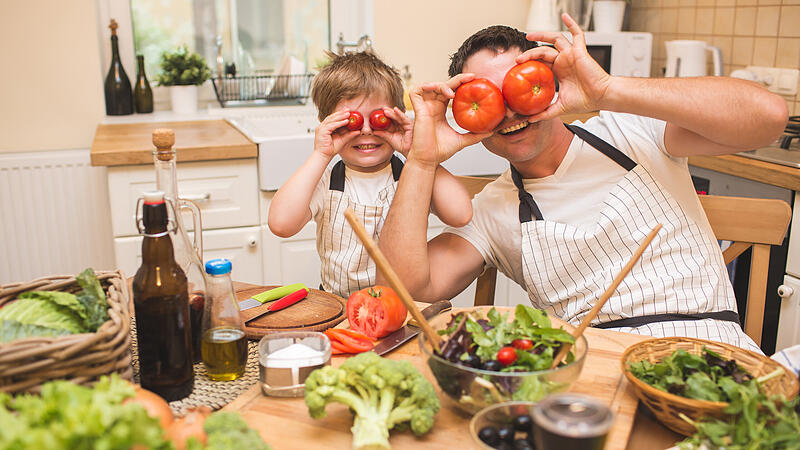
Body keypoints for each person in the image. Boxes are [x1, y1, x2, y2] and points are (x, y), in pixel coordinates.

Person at [378, 15, 788, 353]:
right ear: (468, 112)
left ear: (548, 84)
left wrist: (608, 91)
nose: (509, 113)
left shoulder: (634, 132)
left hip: (712, 350)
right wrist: (422, 158)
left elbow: (769, 117)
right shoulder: (490, 210)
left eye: (520, 89)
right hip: (591, 371)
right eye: (489, 99)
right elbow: (404, 290)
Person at [268, 51, 472, 299]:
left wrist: (418, 154)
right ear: (327, 125)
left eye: (379, 120)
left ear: (398, 117)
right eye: (350, 122)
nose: (365, 130)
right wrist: (321, 154)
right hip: (338, 307)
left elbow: (460, 214)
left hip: (402, 307)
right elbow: (281, 224)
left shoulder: (413, 177)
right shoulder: (327, 182)